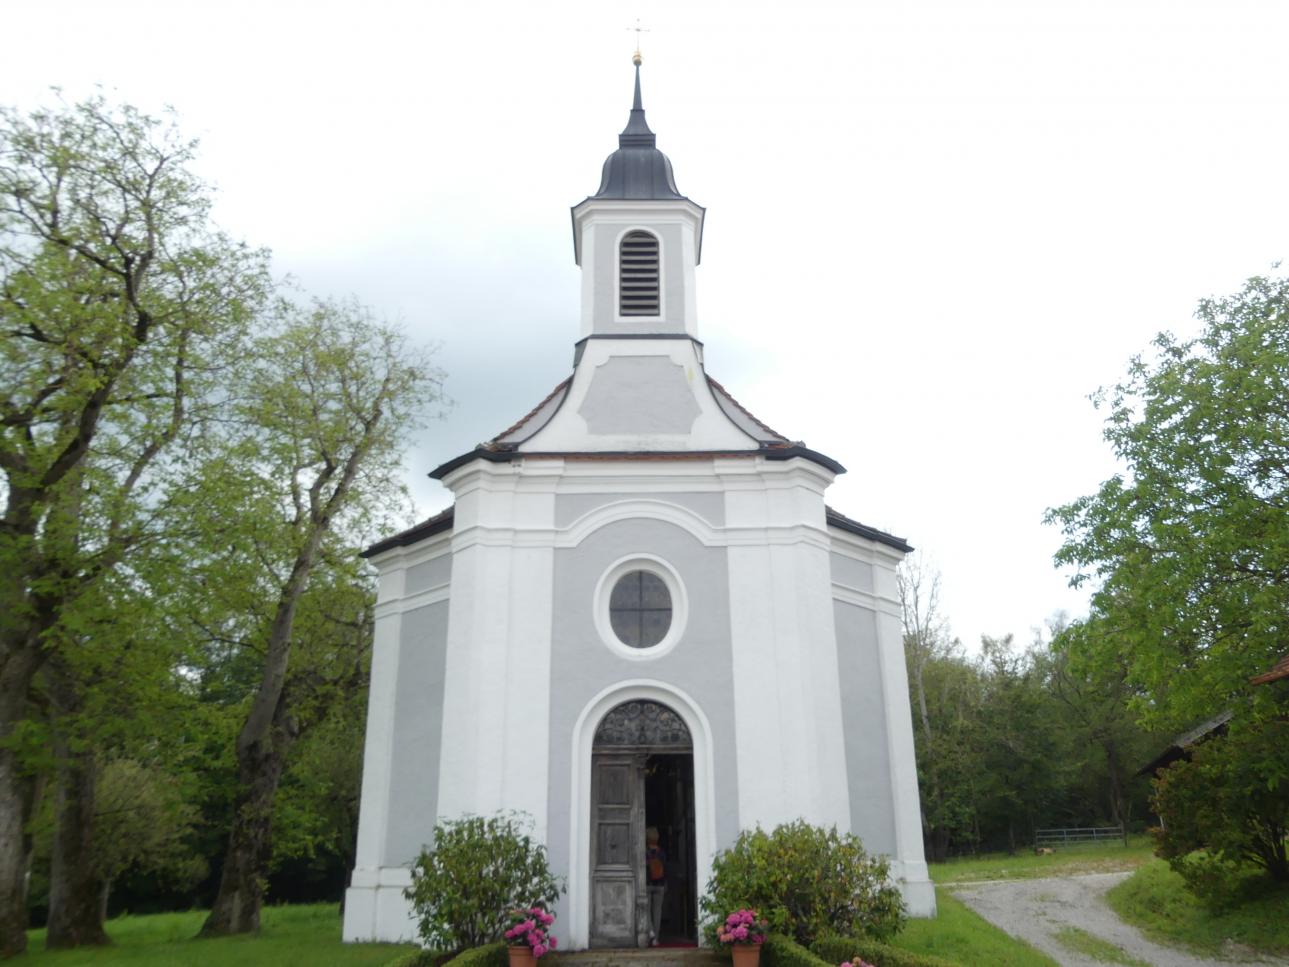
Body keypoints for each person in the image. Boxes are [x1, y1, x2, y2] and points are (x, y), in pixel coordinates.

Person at [645, 826, 666, 946]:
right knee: (657, 912)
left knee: (646, 910)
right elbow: (665, 867)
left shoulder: (645, 852)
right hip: (660, 884)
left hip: (647, 884)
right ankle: (656, 939)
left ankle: (651, 932)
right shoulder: (662, 852)